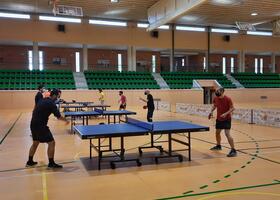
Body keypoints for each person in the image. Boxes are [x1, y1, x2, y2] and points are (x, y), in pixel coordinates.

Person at [26, 89, 69, 168]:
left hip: (33, 124)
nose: (58, 98)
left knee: (35, 143)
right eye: (58, 96)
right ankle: (51, 163)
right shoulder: (51, 104)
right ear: (54, 95)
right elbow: (58, 116)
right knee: (51, 142)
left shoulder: (42, 100)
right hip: (40, 125)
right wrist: (66, 121)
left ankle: (29, 161)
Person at [208, 87, 237, 157]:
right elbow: (215, 105)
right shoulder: (215, 98)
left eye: (218, 91)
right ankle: (218, 146)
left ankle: (233, 150)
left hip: (226, 119)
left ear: (222, 91)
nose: (216, 92)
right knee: (217, 132)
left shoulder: (228, 99)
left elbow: (233, 108)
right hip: (219, 119)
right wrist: (211, 111)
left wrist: (225, 114)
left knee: (227, 134)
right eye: (216, 91)